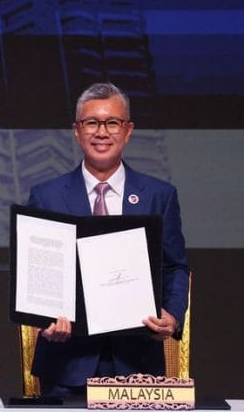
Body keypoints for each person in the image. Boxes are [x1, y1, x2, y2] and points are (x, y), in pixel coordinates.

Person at [27, 82, 189, 397]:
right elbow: (36, 275)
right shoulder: (46, 196)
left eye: (112, 123)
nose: (102, 132)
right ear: (77, 131)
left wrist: (172, 314)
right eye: (92, 123)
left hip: (138, 364)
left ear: (128, 131)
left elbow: (175, 267)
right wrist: (44, 319)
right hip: (66, 365)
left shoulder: (159, 195)